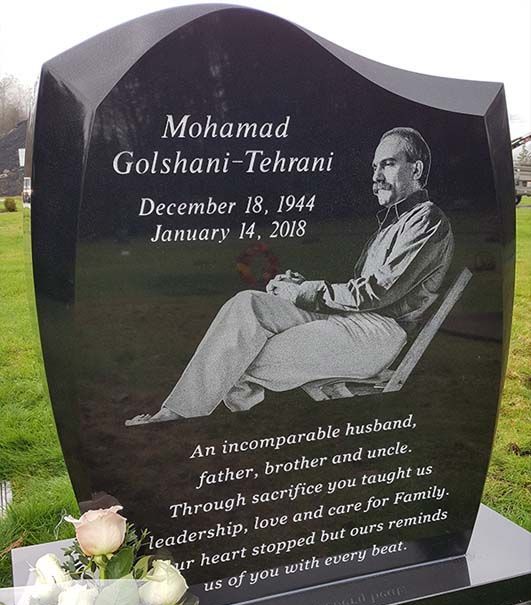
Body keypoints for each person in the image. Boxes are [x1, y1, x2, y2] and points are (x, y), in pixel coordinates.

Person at [125, 127, 454, 426]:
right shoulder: (394, 222)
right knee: (249, 303)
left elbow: (374, 294)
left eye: (388, 164)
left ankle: (237, 416)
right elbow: (360, 293)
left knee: (240, 359)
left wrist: (302, 292)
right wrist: (298, 287)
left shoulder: (427, 220)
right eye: (374, 167)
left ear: (417, 169)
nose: (376, 176)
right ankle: (181, 412)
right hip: (355, 320)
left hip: (381, 333)